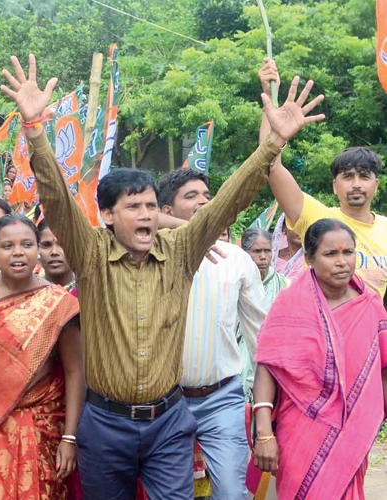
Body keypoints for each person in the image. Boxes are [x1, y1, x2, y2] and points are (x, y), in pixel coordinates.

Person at [0, 53, 325, 499]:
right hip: (104, 423)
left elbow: (227, 202)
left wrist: (272, 147)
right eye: (134, 206)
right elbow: (56, 199)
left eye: (152, 205)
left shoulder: (180, 249)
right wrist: (36, 130)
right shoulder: (90, 251)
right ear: (109, 215)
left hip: (169, 423)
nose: (147, 214)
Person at [0, 214, 84, 499]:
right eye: (7, 246)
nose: (18, 252)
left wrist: (70, 437)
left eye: (27, 245)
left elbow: (74, 371)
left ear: (38, 251)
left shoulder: (59, 303)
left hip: (43, 424)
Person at [253, 218, 387, 500]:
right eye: (331, 254)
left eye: (348, 252)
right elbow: (267, 365)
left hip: (352, 435)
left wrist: (372, 418)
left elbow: (384, 368)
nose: (342, 262)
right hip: (299, 431)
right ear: (310, 259)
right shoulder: (291, 304)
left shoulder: (371, 306)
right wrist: (264, 433)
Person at [158, 168, 267, 500]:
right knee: (172, 495)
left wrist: (267, 408)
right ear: (165, 212)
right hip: (165, 402)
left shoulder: (237, 260)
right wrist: (188, 233)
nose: (204, 203)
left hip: (222, 399)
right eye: (191, 197)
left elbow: (261, 339)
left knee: (233, 493)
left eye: (208, 197)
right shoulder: (148, 258)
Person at [259, 58, 387, 297]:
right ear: (335, 186)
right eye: (347, 177)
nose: (356, 184)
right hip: (321, 332)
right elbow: (271, 167)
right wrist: (269, 106)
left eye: (364, 176)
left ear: (376, 184)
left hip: (370, 333)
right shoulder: (318, 218)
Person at [37, 218, 76, 292]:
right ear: (36, 249)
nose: (54, 252)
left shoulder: (90, 290)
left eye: (62, 244)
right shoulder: (29, 295)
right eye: (46, 245)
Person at [270, 214, 304, 281]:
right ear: (283, 229)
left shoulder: (311, 259)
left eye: (304, 226)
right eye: (295, 225)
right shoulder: (271, 257)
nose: (300, 230)